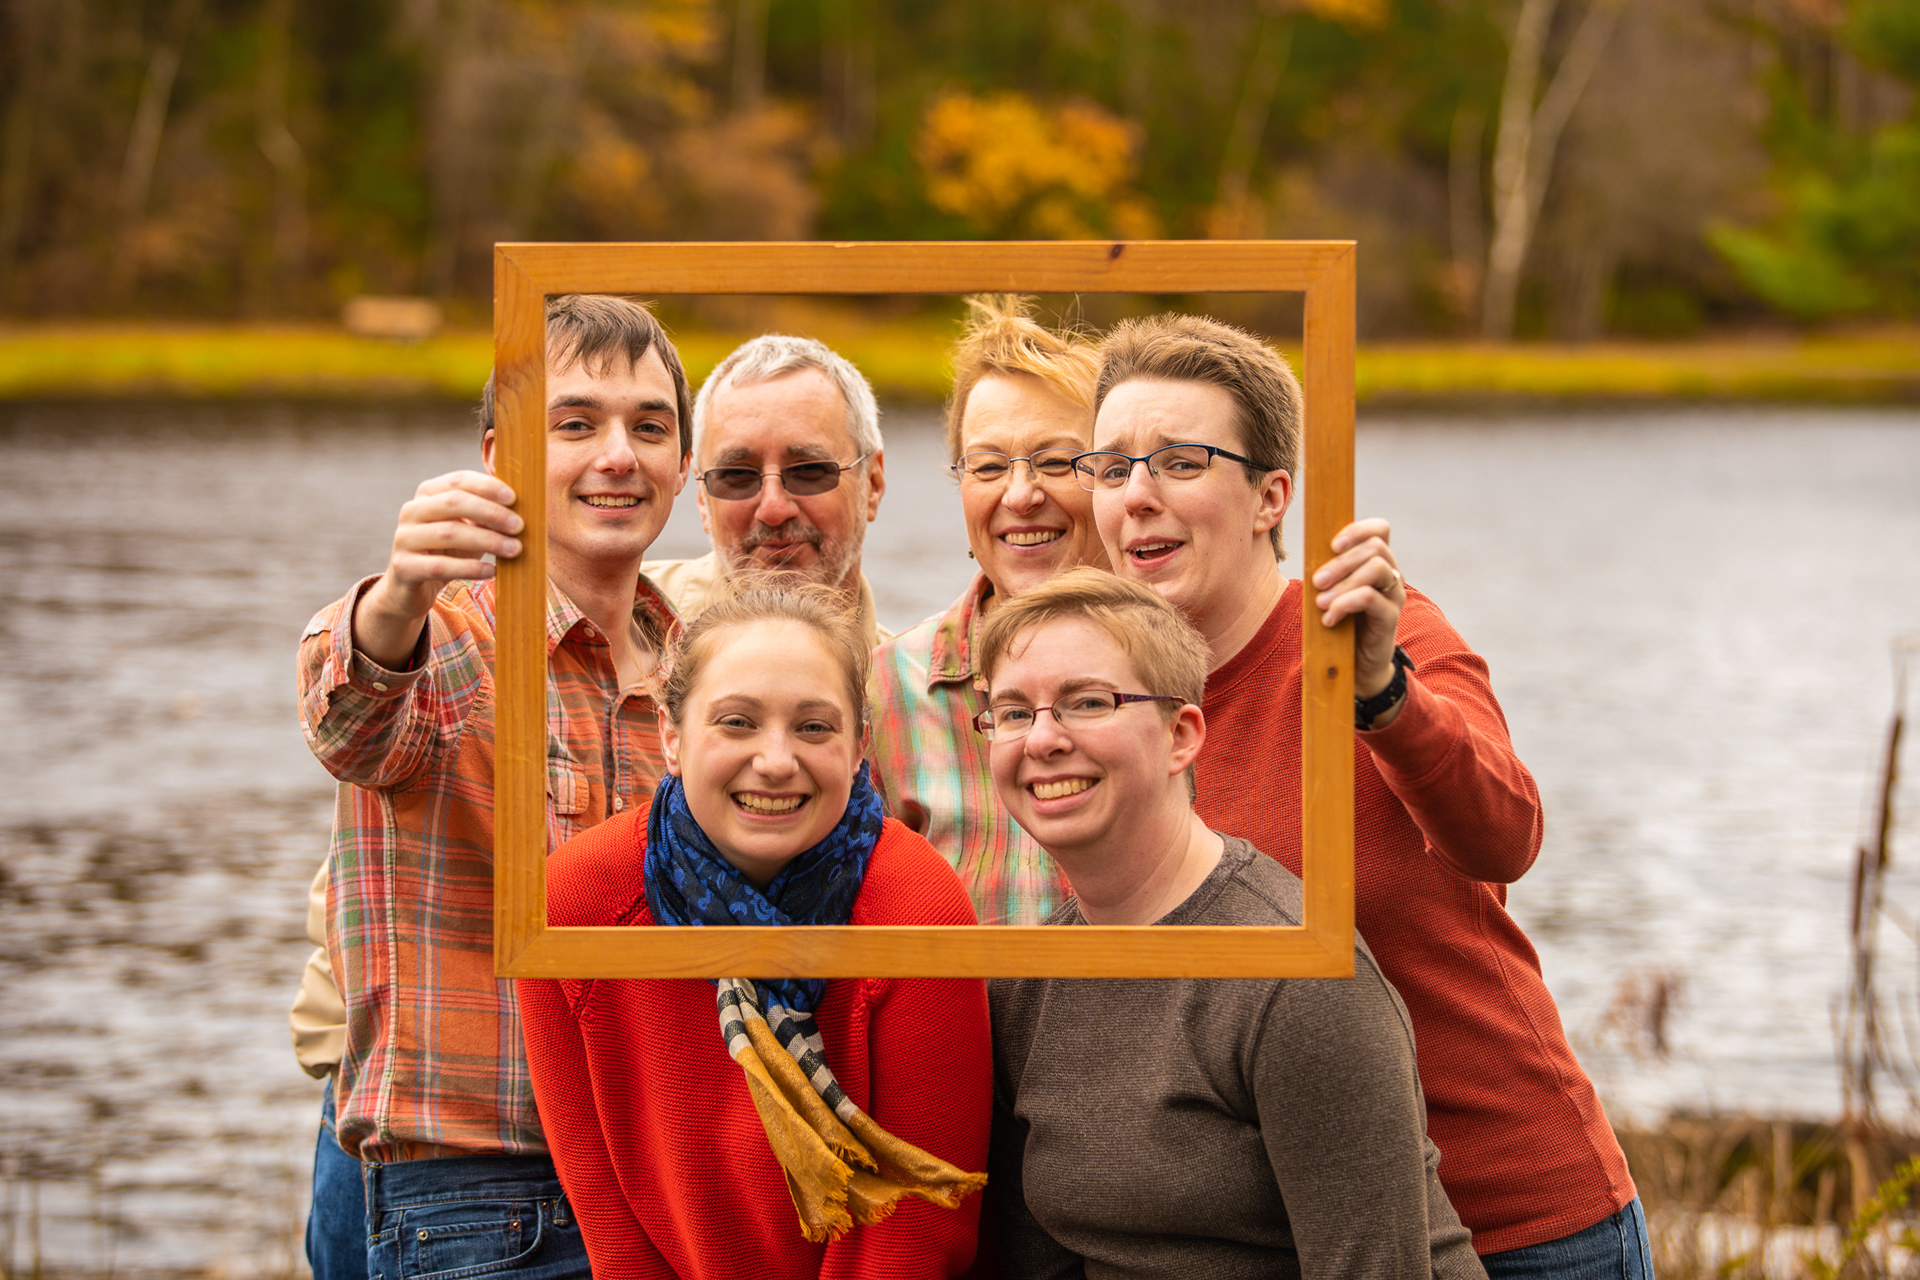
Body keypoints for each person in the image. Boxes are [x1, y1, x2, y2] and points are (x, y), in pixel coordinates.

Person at [1081, 313, 1651, 1276]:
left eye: (1180, 462)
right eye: (1111, 467)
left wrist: (1384, 693)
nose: (1137, 495)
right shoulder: (1107, 700)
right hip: (1299, 1236)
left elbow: (1506, 836)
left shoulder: (1377, 635)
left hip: (1514, 1223)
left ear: (1271, 497)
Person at [297, 294, 695, 1279]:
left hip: (653, 1192)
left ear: (685, 463)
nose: (618, 455)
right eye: (576, 424)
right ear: (499, 455)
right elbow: (349, 721)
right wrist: (399, 593)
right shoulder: (452, 638)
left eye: (650, 427)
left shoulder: (698, 672)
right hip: (478, 1201)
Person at [979, 568, 1484, 1279]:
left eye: (1088, 702)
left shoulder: (1295, 978)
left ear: (1182, 735)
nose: (1042, 739)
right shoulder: (1023, 985)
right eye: (1011, 712)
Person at [517, 586, 991, 1279]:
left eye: (814, 728)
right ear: (672, 737)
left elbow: (916, 1226)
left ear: (859, 746)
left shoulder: (915, 901)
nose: (775, 761)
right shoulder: (578, 900)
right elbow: (606, 1211)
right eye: (737, 723)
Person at [869, 295, 1109, 924]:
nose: (1020, 495)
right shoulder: (888, 687)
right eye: (989, 466)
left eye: (1056, 462)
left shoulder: (1185, 665)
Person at [643, 334, 890, 647]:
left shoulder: (916, 675)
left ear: (872, 484)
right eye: (737, 475)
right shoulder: (617, 624)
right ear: (702, 498)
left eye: (808, 471)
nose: (773, 510)